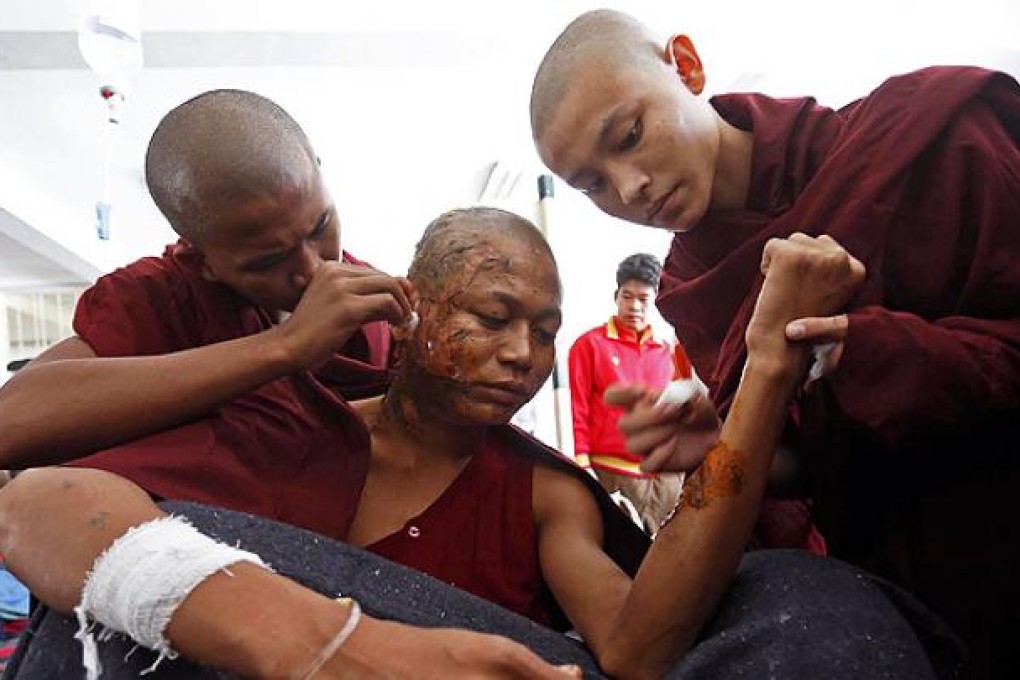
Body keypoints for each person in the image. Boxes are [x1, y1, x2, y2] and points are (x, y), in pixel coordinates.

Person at [2, 207, 954, 680]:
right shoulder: (290, 417)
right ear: (408, 313)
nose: (523, 357)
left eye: (545, 331)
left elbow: (636, 645)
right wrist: (333, 646)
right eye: (494, 317)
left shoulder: (541, 493)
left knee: (815, 607)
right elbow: (38, 504)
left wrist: (761, 380)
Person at [530, 9, 1020, 678]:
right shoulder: (690, 287)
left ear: (687, 67)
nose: (630, 187)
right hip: (898, 590)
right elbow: (823, 461)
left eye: (631, 136)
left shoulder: (930, 139)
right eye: (591, 185)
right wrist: (729, 441)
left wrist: (873, 350)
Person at [568, 252, 686, 534]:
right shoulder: (589, 345)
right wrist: (582, 464)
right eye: (627, 296)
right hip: (613, 473)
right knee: (622, 556)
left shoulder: (668, 351)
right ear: (616, 296)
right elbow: (578, 405)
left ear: (655, 301)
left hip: (666, 476)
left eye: (643, 299)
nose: (634, 306)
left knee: (669, 554)